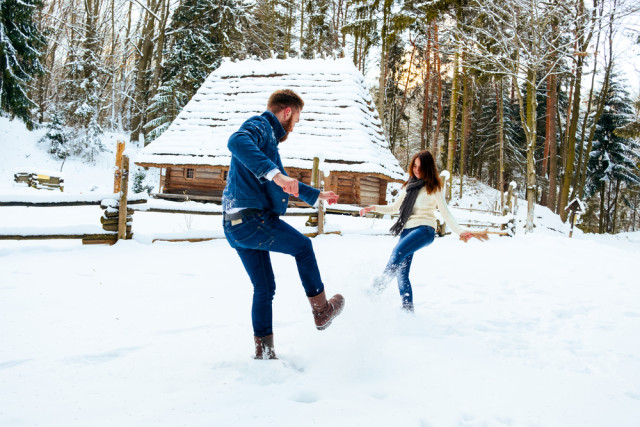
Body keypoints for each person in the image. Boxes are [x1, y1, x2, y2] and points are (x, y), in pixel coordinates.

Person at [222, 89, 345, 360]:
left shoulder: (267, 143)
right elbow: (236, 141)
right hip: (252, 220)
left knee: (264, 288)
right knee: (303, 247)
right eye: (296, 119)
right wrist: (276, 175)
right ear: (287, 112)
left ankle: (264, 352)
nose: (295, 126)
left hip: (235, 225)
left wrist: (316, 194)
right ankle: (321, 310)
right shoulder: (260, 125)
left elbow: (282, 181)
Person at [359, 150, 488, 312]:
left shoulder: (433, 188)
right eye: (414, 166)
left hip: (424, 230)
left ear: (428, 168)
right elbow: (394, 208)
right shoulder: (409, 186)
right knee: (401, 273)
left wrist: (460, 231)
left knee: (398, 252)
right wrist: (373, 207)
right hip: (407, 231)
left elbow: (446, 212)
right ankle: (407, 311)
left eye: (420, 167)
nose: (416, 170)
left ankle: (376, 288)